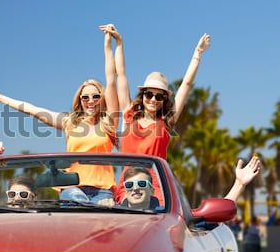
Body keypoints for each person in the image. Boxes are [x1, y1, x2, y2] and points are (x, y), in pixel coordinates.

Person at [99, 24, 261, 205]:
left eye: (159, 96)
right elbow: (120, 74)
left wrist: (197, 54)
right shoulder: (129, 115)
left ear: (164, 100)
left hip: (157, 192)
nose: (153, 99)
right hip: (128, 188)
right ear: (143, 95)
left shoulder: (166, 122)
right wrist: (119, 43)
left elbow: (186, 85)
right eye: (149, 94)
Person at [0, 77, 119, 204]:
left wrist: (109, 47)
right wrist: (1, 98)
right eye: (85, 97)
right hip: (73, 189)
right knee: (79, 203)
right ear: (80, 100)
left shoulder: (108, 123)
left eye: (96, 96)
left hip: (102, 190)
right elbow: (33, 110)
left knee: (103, 219)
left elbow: (112, 81)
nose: (90, 101)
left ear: (102, 99)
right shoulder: (69, 122)